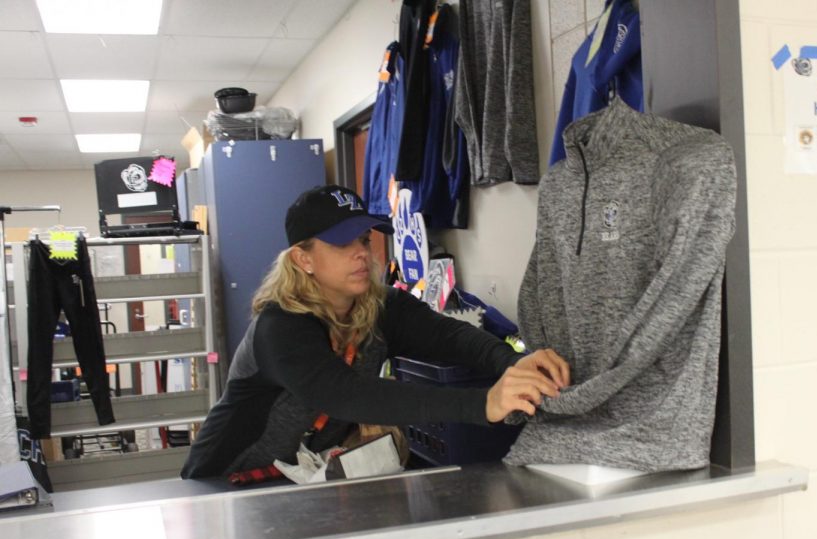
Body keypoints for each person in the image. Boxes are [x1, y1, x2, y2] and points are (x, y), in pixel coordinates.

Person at [181, 184, 569, 479]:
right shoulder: (280, 326)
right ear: (303, 259)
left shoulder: (377, 305)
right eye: (341, 244)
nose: (361, 253)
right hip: (228, 478)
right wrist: (482, 404)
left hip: (300, 476)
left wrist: (515, 363)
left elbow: (450, 337)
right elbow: (347, 395)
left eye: (364, 240)